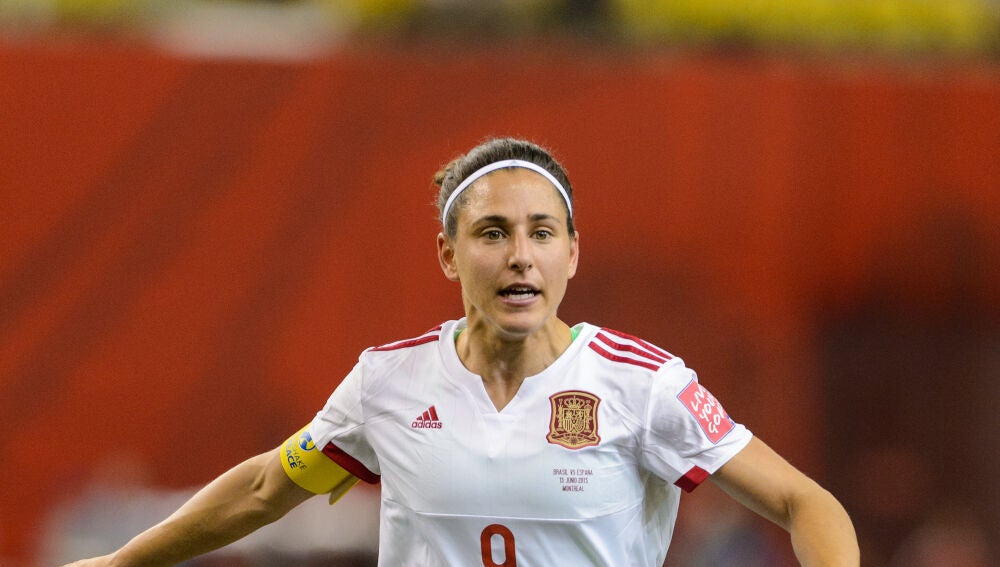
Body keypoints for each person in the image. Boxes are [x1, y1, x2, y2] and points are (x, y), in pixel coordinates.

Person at [65, 137, 859, 566]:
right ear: (448, 255)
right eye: (492, 233)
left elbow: (805, 502)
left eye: (542, 233)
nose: (520, 257)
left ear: (572, 254)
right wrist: (121, 563)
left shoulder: (641, 384)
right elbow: (266, 488)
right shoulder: (387, 382)